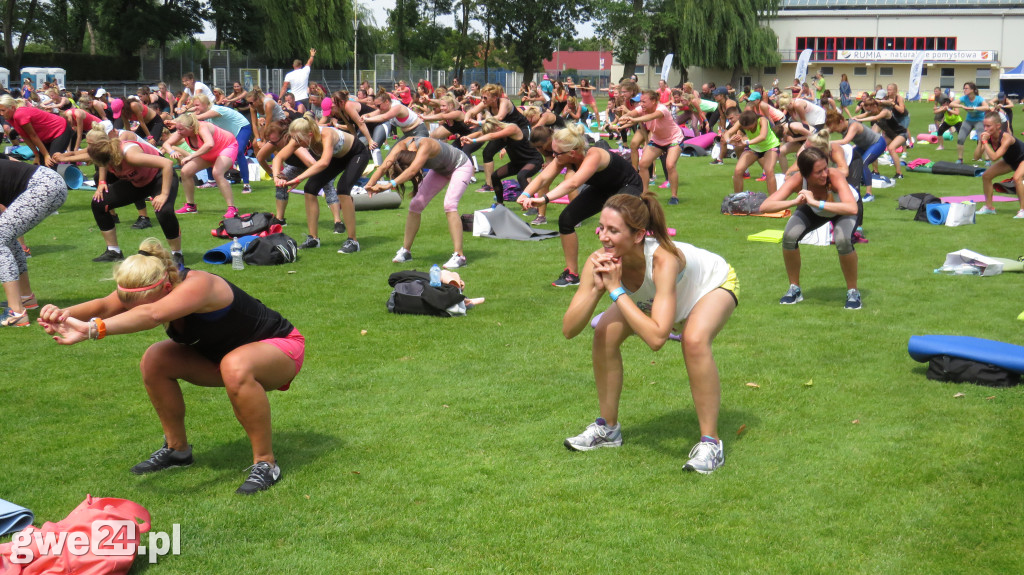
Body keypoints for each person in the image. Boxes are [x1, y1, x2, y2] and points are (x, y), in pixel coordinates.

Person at [38, 238, 303, 494]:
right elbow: (106, 306)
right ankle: (177, 450)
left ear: (166, 288)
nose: (130, 310)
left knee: (235, 365)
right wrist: (63, 314)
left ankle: (265, 463)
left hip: (280, 349)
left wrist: (92, 329)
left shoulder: (200, 285)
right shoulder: (147, 284)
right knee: (156, 359)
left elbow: (152, 314)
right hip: (223, 357)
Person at [561, 191, 738, 474]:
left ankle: (711, 443)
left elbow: (657, 339)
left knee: (693, 340)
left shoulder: (663, 260)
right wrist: (596, 290)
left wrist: (616, 290)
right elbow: (569, 329)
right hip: (656, 298)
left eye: (613, 231)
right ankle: (608, 429)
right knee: (603, 333)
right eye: (602, 228)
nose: (603, 237)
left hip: (710, 285)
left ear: (638, 235)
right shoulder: (599, 259)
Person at [519, 124, 643, 287]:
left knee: (616, 223)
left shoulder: (594, 155)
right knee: (566, 220)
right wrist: (525, 194)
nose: (553, 156)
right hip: (603, 188)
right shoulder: (565, 158)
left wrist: (544, 199)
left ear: (572, 152)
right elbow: (543, 178)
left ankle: (630, 267)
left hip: (628, 185)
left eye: (556, 153)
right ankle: (572, 274)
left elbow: (573, 183)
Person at [759, 147, 863, 309]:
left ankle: (853, 291)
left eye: (825, 168)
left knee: (842, 241)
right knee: (789, 236)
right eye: (818, 172)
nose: (824, 174)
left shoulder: (834, 176)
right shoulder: (798, 179)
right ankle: (795, 289)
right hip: (814, 209)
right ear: (806, 174)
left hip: (842, 209)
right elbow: (765, 206)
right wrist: (794, 202)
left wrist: (815, 202)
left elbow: (852, 208)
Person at [365, 137, 472, 269]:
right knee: (415, 205)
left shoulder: (426, 145)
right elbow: (383, 167)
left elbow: (412, 171)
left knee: (450, 204)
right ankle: (406, 251)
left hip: (460, 166)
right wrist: (369, 185)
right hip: (440, 170)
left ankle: (460, 257)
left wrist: (389, 185)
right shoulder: (400, 146)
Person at [84, 127, 183, 265]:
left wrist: (163, 194)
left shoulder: (129, 154)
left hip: (159, 177)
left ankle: (177, 254)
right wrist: (101, 182)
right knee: (99, 203)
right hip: (137, 182)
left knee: (163, 210)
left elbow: (167, 164)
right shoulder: (106, 154)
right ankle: (113, 251)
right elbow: (96, 161)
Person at [272, 114, 370, 254]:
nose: (297, 143)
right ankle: (313, 238)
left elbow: (323, 163)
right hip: (338, 157)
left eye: (299, 139)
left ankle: (353, 240)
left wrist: (298, 178)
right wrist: (277, 176)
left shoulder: (326, 134)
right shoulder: (300, 139)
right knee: (310, 188)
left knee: (343, 189)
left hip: (357, 154)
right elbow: (278, 158)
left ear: (310, 135)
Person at [0, 160, 68, 327]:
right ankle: (25, 297)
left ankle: (16, 312)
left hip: (44, 186)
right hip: (49, 183)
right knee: (5, 237)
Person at [255, 119, 339, 230]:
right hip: (297, 167)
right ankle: (280, 219)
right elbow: (260, 158)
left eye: (275, 141)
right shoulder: (274, 143)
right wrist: (273, 174)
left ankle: (338, 221)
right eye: (270, 141)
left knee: (327, 184)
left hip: (316, 164)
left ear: (285, 136)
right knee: (281, 183)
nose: (273, 144)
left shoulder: (296, 144)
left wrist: (309, 178)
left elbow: (312, 163)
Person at [161, 113, 239, 218]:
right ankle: (190, 206)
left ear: (191, 127)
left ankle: (232, 208)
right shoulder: (182, 131)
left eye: (181, 129)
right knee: (185, 172)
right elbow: (166, 144)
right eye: (177, 129)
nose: (178, 132)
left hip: (226, 146)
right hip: (209, 152)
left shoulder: (202, 127)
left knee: (217, 173)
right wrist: (171, 152)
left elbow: (209, 144)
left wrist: (191, 156)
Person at [461, 117, 543, 207]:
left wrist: (473, 141)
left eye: (493, 132)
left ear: (497, 127)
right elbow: (481, 133)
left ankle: (532, 205)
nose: (493, 137)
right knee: (495, 176)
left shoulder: (512, 128)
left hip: (533, 160)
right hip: (517, 163)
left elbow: (492, 136)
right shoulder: (500, 136)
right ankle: (500, 203)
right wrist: (467, 137)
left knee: (522, 176)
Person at [618, 90, 683, 204]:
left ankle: (674, 196)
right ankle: (644, 194)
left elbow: (650, 117)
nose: (641, 104)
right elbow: (631, 114)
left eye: (644, 101)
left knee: (670, 165)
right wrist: (623, 118)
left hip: (674, 139)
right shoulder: (641, 109)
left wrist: (634, 119)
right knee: (643, 164)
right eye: (640, 102)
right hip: (658, 140)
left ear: (653, 101)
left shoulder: (661, 109)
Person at [192, 94, 255, 194]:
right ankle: (211, 181)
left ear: (205, 104)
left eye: (197, 105)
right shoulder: (205, 113)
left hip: (242, 127)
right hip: (228, 133)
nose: (195, 108)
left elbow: (198, 116)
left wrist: (188, 115)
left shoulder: (215, 109)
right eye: (194, 105)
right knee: (208, 149)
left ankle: (246, 184)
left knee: (239, 152)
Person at [826, 110, 887, 201]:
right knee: (851, 160)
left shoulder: (854, 125)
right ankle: (850, 188)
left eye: (836, 128)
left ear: (841, 121)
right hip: (863, 146)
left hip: (877, 143)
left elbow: (845, 141)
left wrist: (826, 143)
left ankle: (869, 194)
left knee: (863, 163)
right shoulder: (843, 128)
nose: (837, 131)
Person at [0, 95, 72, 167]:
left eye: (3, 110)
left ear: (12, 108)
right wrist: (36, 155)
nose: (1, 113)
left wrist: (46, 155)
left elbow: (33, 135)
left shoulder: (19, 114)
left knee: (52, 161)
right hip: (47, 136)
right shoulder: (10, 118)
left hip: (60, 129)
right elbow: (25, 137)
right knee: (41, 164)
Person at [975, 111, 1024, 218]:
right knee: (986, 176)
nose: (985, 129)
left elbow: (994, 157)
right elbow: (976, 157)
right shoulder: (989, 137)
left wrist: (985, 143)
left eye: (988, 126)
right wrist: (980, 143)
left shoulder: (1006, 137)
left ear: (998, 126)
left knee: (1017, 178)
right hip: (1010, 161)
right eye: (984, 126)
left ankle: (1023, 210)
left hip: (1022, 159)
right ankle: (989, 208)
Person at [727, 110, 779, 196]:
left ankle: (773, 201)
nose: (748, 130)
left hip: (770, 146)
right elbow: (728, 132)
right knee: (738, 171)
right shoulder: (740, 122)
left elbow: (763, 136)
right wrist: (729, 140)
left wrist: (746, 142)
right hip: (754, 147)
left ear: (755, 121)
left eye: (750, 128)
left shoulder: (762, 120)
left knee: (769, 171)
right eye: (746, 129)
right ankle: (738, 199)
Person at [854, 97, 907, 181]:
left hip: (900, 134)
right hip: (890, 135)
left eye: (870, 109)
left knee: (891, 148)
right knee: (874, 147)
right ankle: (876, 171)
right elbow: (862, 115)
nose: (870, 112)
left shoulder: (885, 112)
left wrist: (859, 119)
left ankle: (899, 174)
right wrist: (852, 119)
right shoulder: (873, 112)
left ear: (875, 105)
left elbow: (874, 118)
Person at [949, 82, 988, 164]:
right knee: (960, 138)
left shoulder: (979, 98)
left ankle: (987, 160)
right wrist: (962, 106)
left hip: (979, 120)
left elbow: (986, 107)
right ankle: (960, 159)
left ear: (972, 90)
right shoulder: (964, 98)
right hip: (969, 120)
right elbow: (951, 103)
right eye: (964, 88)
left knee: (982, 139)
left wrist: (974, 108)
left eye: (966, 88)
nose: (964, 90)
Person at [932, 87, 959, 151]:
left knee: (947, 121)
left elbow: (950, 103)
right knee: (936, 119)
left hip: (947, 108)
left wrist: (946, 109)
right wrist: (936, 108)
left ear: (940, 91)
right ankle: (938, 131)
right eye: (934, 91)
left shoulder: (944, 96)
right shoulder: (936, 96)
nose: (935, 92)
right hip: (942, 108)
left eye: (936, 91)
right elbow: (935, 105)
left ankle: (950, 131)